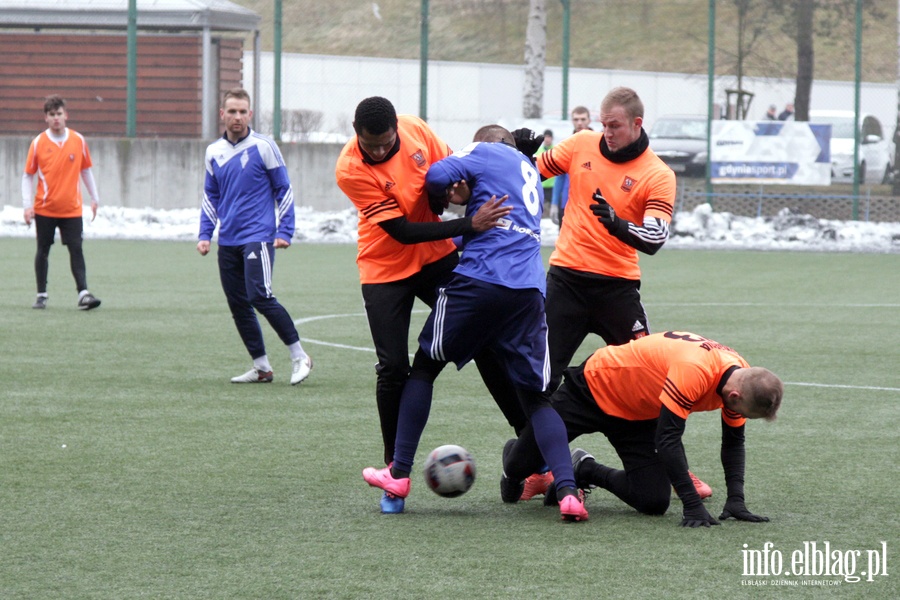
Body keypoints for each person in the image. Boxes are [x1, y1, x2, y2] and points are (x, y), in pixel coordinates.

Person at [362, 125, 588, 522]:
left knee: (425, 367)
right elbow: (501, 227)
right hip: (529, 292)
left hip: (480, 282)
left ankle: (398, 475)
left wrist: (438, 199)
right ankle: (568, 491)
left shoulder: (485, 151)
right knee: (536, 398)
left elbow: (435, 176)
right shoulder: (529, 171)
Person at [335, 97, 527, 514]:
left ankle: (530, 450)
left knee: (487, 345)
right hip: (384, 268)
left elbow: (444, 183)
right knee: (392, 367)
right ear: (356, 132)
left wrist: (457, 195)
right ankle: (395, 474)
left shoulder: (416, 129)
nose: (381, 152)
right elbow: (402, 231)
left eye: (388, 143)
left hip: (436, 256)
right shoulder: (350, 168)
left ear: (396, 132)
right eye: (373, 146)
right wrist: (467, 224)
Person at [529, 87, 719, 502]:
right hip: (566, 281)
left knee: (651, 380)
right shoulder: (580, 145)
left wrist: (617, 224)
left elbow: (655, 237)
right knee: (540, 378)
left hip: (618, 289)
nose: (605, 132)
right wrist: (513, 157)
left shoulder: (657, 173)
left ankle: (675, 469)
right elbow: (530, 173)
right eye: (602, 122)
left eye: (614, 125)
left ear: (637, 124)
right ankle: (542, 468)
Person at [502, 331, 783, 527]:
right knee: (519, 467)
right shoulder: (695, 371)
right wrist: (691, 504)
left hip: (637, 413)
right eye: (746, 414)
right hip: (593, 387)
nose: (740, 417)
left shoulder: (742, 376)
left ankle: (584, 468)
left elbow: (734, 441)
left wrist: (736, 500)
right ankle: (516, 456)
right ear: (735, 398)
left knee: (653, 501)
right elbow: (668, 439)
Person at [197, 88, 313, 386]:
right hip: (229, 240)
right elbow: (211, 196)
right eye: (232, 111)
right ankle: (262, 367)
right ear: (222, 114)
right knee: (238, 303)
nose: (237, 117)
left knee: (260, 295)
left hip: (258, 236)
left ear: (250, 114)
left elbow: (283, 189)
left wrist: (285, 230)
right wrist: (205, 234)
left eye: (243, 111)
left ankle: (300, 356)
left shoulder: (264, 146)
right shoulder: (214, 152)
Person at [22, 95, 101, 310]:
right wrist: (27, 205)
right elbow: (28, 174)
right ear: (45, 118)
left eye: (59, 114)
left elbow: (86, 170)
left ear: (66, 115)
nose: (56, 118)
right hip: (45, 208)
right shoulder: (38, 143)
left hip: (72, 208)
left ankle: (83, 293)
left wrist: (95, 197)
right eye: (51, 115)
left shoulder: (78, 140)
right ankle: (41, 294)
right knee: (43, 249)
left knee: (76, 248)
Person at [549, 105, 592, 228]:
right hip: (567, 204)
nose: (579, 123)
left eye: (583, 119)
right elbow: (560, 177)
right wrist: (554, 203)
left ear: (589, 120)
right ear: (572, 121)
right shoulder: (566, 145)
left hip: (591, 205)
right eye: (576, 119)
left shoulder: (600, 144)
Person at [537, 129, 555, 212]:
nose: (547, 139)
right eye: (546, 137)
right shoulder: (538, 152)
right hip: (542, 185)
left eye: (549, 137)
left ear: (552, 138)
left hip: (552, 186)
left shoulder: (556, 151)